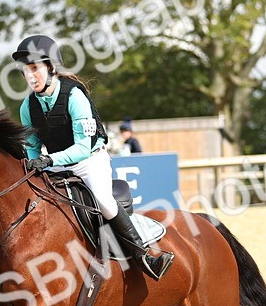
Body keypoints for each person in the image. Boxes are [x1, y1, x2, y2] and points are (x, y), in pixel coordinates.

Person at [13, 34, 173, 280]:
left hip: (89, 161)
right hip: (56, 165)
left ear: (51, 67)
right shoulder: (27, 107)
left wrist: (48, 160)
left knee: (103, 200)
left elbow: (82, 149)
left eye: (35, 68)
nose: (30, 76)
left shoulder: (74, 96)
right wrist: (35, 163)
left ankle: (144, 255)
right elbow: (33, 147)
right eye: (26, 70)